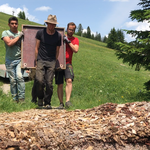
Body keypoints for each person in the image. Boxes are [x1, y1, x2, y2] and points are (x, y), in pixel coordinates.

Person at [35, 14, 61, 109]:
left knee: (49, 83)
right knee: (39, 80)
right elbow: (36, 47)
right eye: (50, 24)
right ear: (47, 23)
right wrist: (36, 60)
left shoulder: (58, 36)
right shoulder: (40, 33)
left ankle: (47, 102)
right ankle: (40, 98)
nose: (51, 26)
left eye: (53, 24)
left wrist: (54, 61)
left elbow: (57, 50)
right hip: (41, 59)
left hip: (51, 61)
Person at [55, 22, 79, 109]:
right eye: (69, 29)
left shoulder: (75, 39)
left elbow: (75, 50)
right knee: (60, 84)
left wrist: (68, 41)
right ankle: (61, 103)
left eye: (73, 30)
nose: (71, 31)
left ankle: (67, 101)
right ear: (67, 28)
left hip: (68, 63)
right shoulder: (60, 36)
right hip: (58, 62)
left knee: (69, 80)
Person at [1, 16, 25, 103]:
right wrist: (19, 36)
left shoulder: (21, 34)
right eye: (12, 23)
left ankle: (22, 99)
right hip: (9, 60)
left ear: (18, 24)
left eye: (15, 23)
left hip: (19, 60)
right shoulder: (5, 33)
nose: (14, 25)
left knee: (19, 77)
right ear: (9, 24)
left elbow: (25, 48)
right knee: (13, 80)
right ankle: (15, 100)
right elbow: (9, 43)